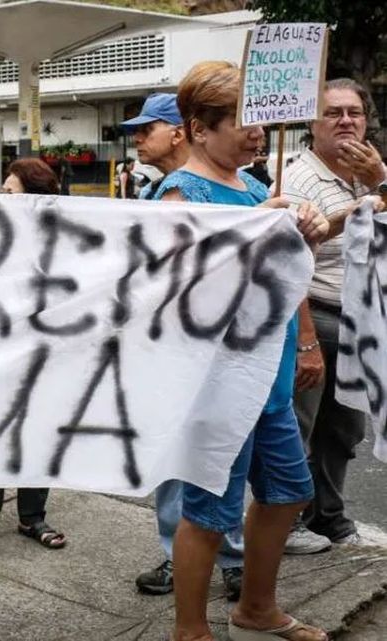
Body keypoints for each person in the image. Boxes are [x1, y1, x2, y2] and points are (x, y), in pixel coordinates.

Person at [157, 61, 329, 641]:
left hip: (272, 376)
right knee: (209, 512)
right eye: (243, 119)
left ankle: (256, 608)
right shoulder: (179, 191)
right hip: (219, 381)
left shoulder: (259, 187)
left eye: (262, 119)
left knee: (288, 493)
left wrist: (314, 227)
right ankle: (191, 628)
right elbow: (180, 284)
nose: (258, 131)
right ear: (199, 129)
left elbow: (289, 275)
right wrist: (258, 224)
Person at [120, 92, 245, 598]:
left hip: (222, 349)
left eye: (146, 129)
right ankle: (182, 554)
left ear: (181, 131)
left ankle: (231, 555)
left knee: (224, 454)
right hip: (173, 353)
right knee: (174, 454)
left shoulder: (239, 186)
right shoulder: (154, 193)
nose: (137, 140)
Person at [283, 78, 387, 554]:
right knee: (300, 427)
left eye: (354, 113)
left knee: (346, 430)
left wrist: (379, 181)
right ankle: (287, 521)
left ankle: (328, 513)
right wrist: (304, 339)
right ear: (312, 122)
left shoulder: (373, 170)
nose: (346, 121)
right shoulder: (296, 177)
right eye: (333, 113)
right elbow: (289, 262)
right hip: (317, 312)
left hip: (362, 321)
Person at [0, 158, 69, 552]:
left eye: (10, 191)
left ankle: (32, 517)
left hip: (41, 355)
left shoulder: (60, 243)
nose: (0, 197)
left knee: (38, 432)